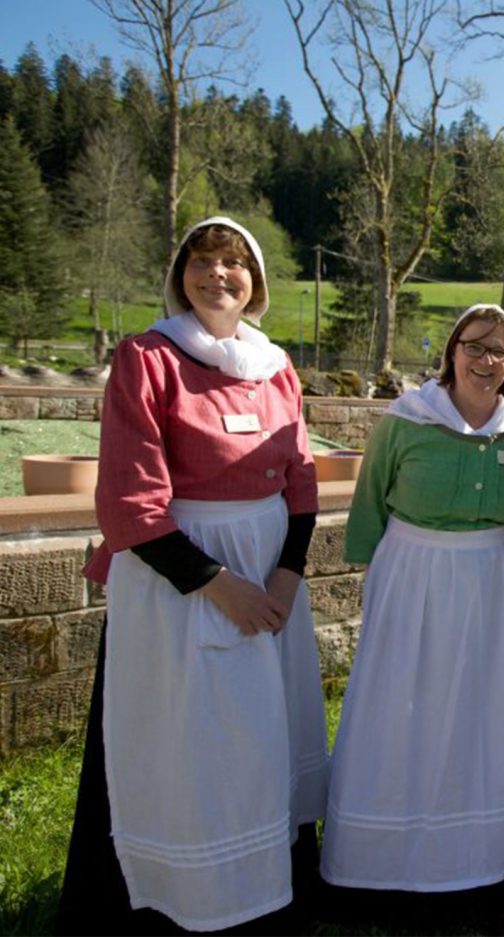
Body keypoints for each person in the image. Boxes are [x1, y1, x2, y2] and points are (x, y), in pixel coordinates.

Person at [57, 217, 328, 933]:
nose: (218, 275)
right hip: (180, 580)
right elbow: (128, 500)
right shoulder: (148, 358)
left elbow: (301, 481)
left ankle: (270, 877)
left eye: (234, 263)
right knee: (192, 732)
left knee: (266, 728)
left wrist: (282, 580)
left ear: (256, 282)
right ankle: (189, 888)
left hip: (270, 577)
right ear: (181, 275)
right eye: (203, 261)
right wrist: (219, 584)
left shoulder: (277, 367)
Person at [320, 306, 504, 904]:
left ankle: (474, 861)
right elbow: (370, 501)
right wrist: (376, 581)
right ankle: (379, 862)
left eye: (499, 352)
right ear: (451, 351)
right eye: (475, 346)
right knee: (401, 703)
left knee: (482, 709)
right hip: (413, 575)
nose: (486, 361)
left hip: (493, 578)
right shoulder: (407, 419)